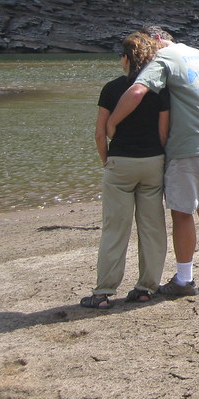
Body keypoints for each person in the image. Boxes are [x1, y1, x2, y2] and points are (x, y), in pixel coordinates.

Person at [106, 25, 199, 297]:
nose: (146, 53)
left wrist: (111, 124)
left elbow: (137, 91)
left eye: (148, 44)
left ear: (158, 39)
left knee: (182, 213)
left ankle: (184, 280)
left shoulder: (165, 58)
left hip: (189, 148)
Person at [81, 32, 170, 309]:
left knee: (115, 229)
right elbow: (163, 133)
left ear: (125, 58)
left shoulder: (111, 89)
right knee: (152, 229)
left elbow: (99, 133)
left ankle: (103, 292)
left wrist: (107, 160)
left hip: (121, 164)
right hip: (153, 162)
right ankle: (146, 288)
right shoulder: (161, 89)